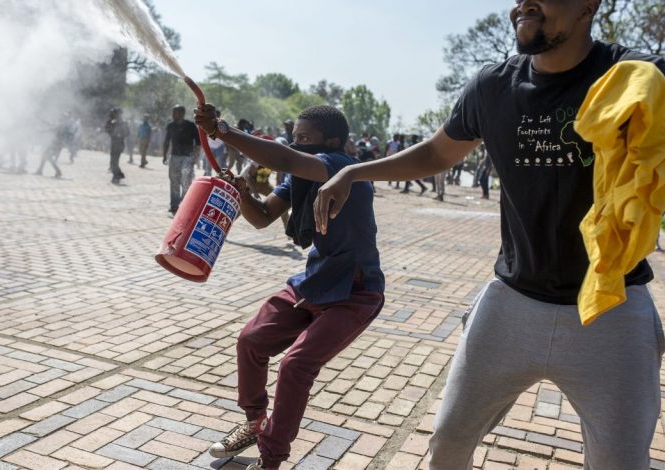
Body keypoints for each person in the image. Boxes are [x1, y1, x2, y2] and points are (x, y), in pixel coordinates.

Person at [314, 1, 665, 468]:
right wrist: (355, 172)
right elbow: (438, 154)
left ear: (589, 5)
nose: (524, 5)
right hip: (512, 302)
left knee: (621, 461)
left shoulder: (639, 78)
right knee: (448, 443)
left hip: (612, 309)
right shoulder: (492, 86)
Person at [194, 104, 384, 470]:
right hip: (313, 283)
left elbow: (283, 156)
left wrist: (223, 130)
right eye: (294, 138)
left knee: (295, 365)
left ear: (332, 143)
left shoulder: (345, 170)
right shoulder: (299, 177)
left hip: (356, 292)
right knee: (251, 340)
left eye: (304, 139)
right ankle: (254, 422)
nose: (296, 144)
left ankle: (271, 457)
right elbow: (264, 217)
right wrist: (243, 193)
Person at [163, 104, 199, 213]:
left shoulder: (191, 126)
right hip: (174, 157)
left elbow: (198, 144)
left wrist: (194, 158)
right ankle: (174, 205)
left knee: (186, 181)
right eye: (173, 112)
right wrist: (164, 155)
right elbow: (166, 141)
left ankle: (185, 204)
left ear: (182, 113)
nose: (173, 115)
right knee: (174, 180)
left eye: (176, 112)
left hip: (187, 158)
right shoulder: (170, 126)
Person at [104, 107, 129, 185]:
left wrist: (120, 135)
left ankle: (117, 176)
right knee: (112, 162)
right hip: (113, 143)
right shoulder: (112, 121)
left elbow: (127, 133)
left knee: (114, 162)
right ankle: (117, 175)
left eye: (116, 113)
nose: (115, 114)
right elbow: (106, 129)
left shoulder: (123, 123)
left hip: (119, 144)